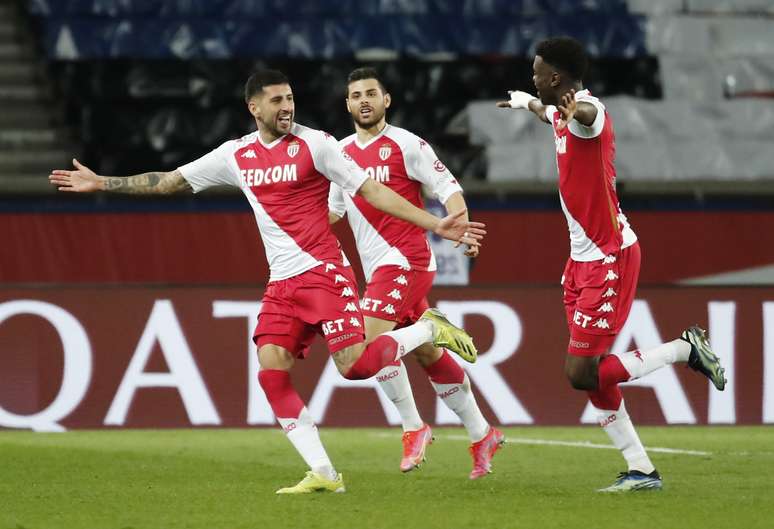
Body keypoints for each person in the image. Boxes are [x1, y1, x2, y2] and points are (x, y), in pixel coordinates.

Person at [49, 69, 487, 494]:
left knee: (356, 367)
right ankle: (324, 473)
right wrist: (100, 182)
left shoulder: (318, 144)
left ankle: (429, 328)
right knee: (271, 369)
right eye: (277, 100)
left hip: (324, 275)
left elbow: (371, 191)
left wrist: (436, 223)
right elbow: (168, 182)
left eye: (291, 99)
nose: (287, 108)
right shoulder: (235, 154)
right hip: (282, 284)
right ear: (253, 106)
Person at [497, 37, 727, 492]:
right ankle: (641, 470)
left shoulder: (587, 112)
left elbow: (587, 119)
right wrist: (529, 104)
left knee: (580, 372)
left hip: (610, 257)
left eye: (537, 73)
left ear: (557, 78)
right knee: (592, 375)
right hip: (581, 262)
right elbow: (554, 116)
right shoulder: (559, 115)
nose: (533, 77)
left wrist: (571, 110)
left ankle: (685, 349)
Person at [328, 67, 503, 480]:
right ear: (348, 104)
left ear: (386, 100)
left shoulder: (407, 144)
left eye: (372, 92)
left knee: (364, 348)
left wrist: (462, 228)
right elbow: (334, 208)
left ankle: (413, 425)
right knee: (427, 356)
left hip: (406, 262)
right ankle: (482, 433)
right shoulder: (339, 153)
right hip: (379, 270)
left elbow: (449, 189)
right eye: (356, 95)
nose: (364, 100)